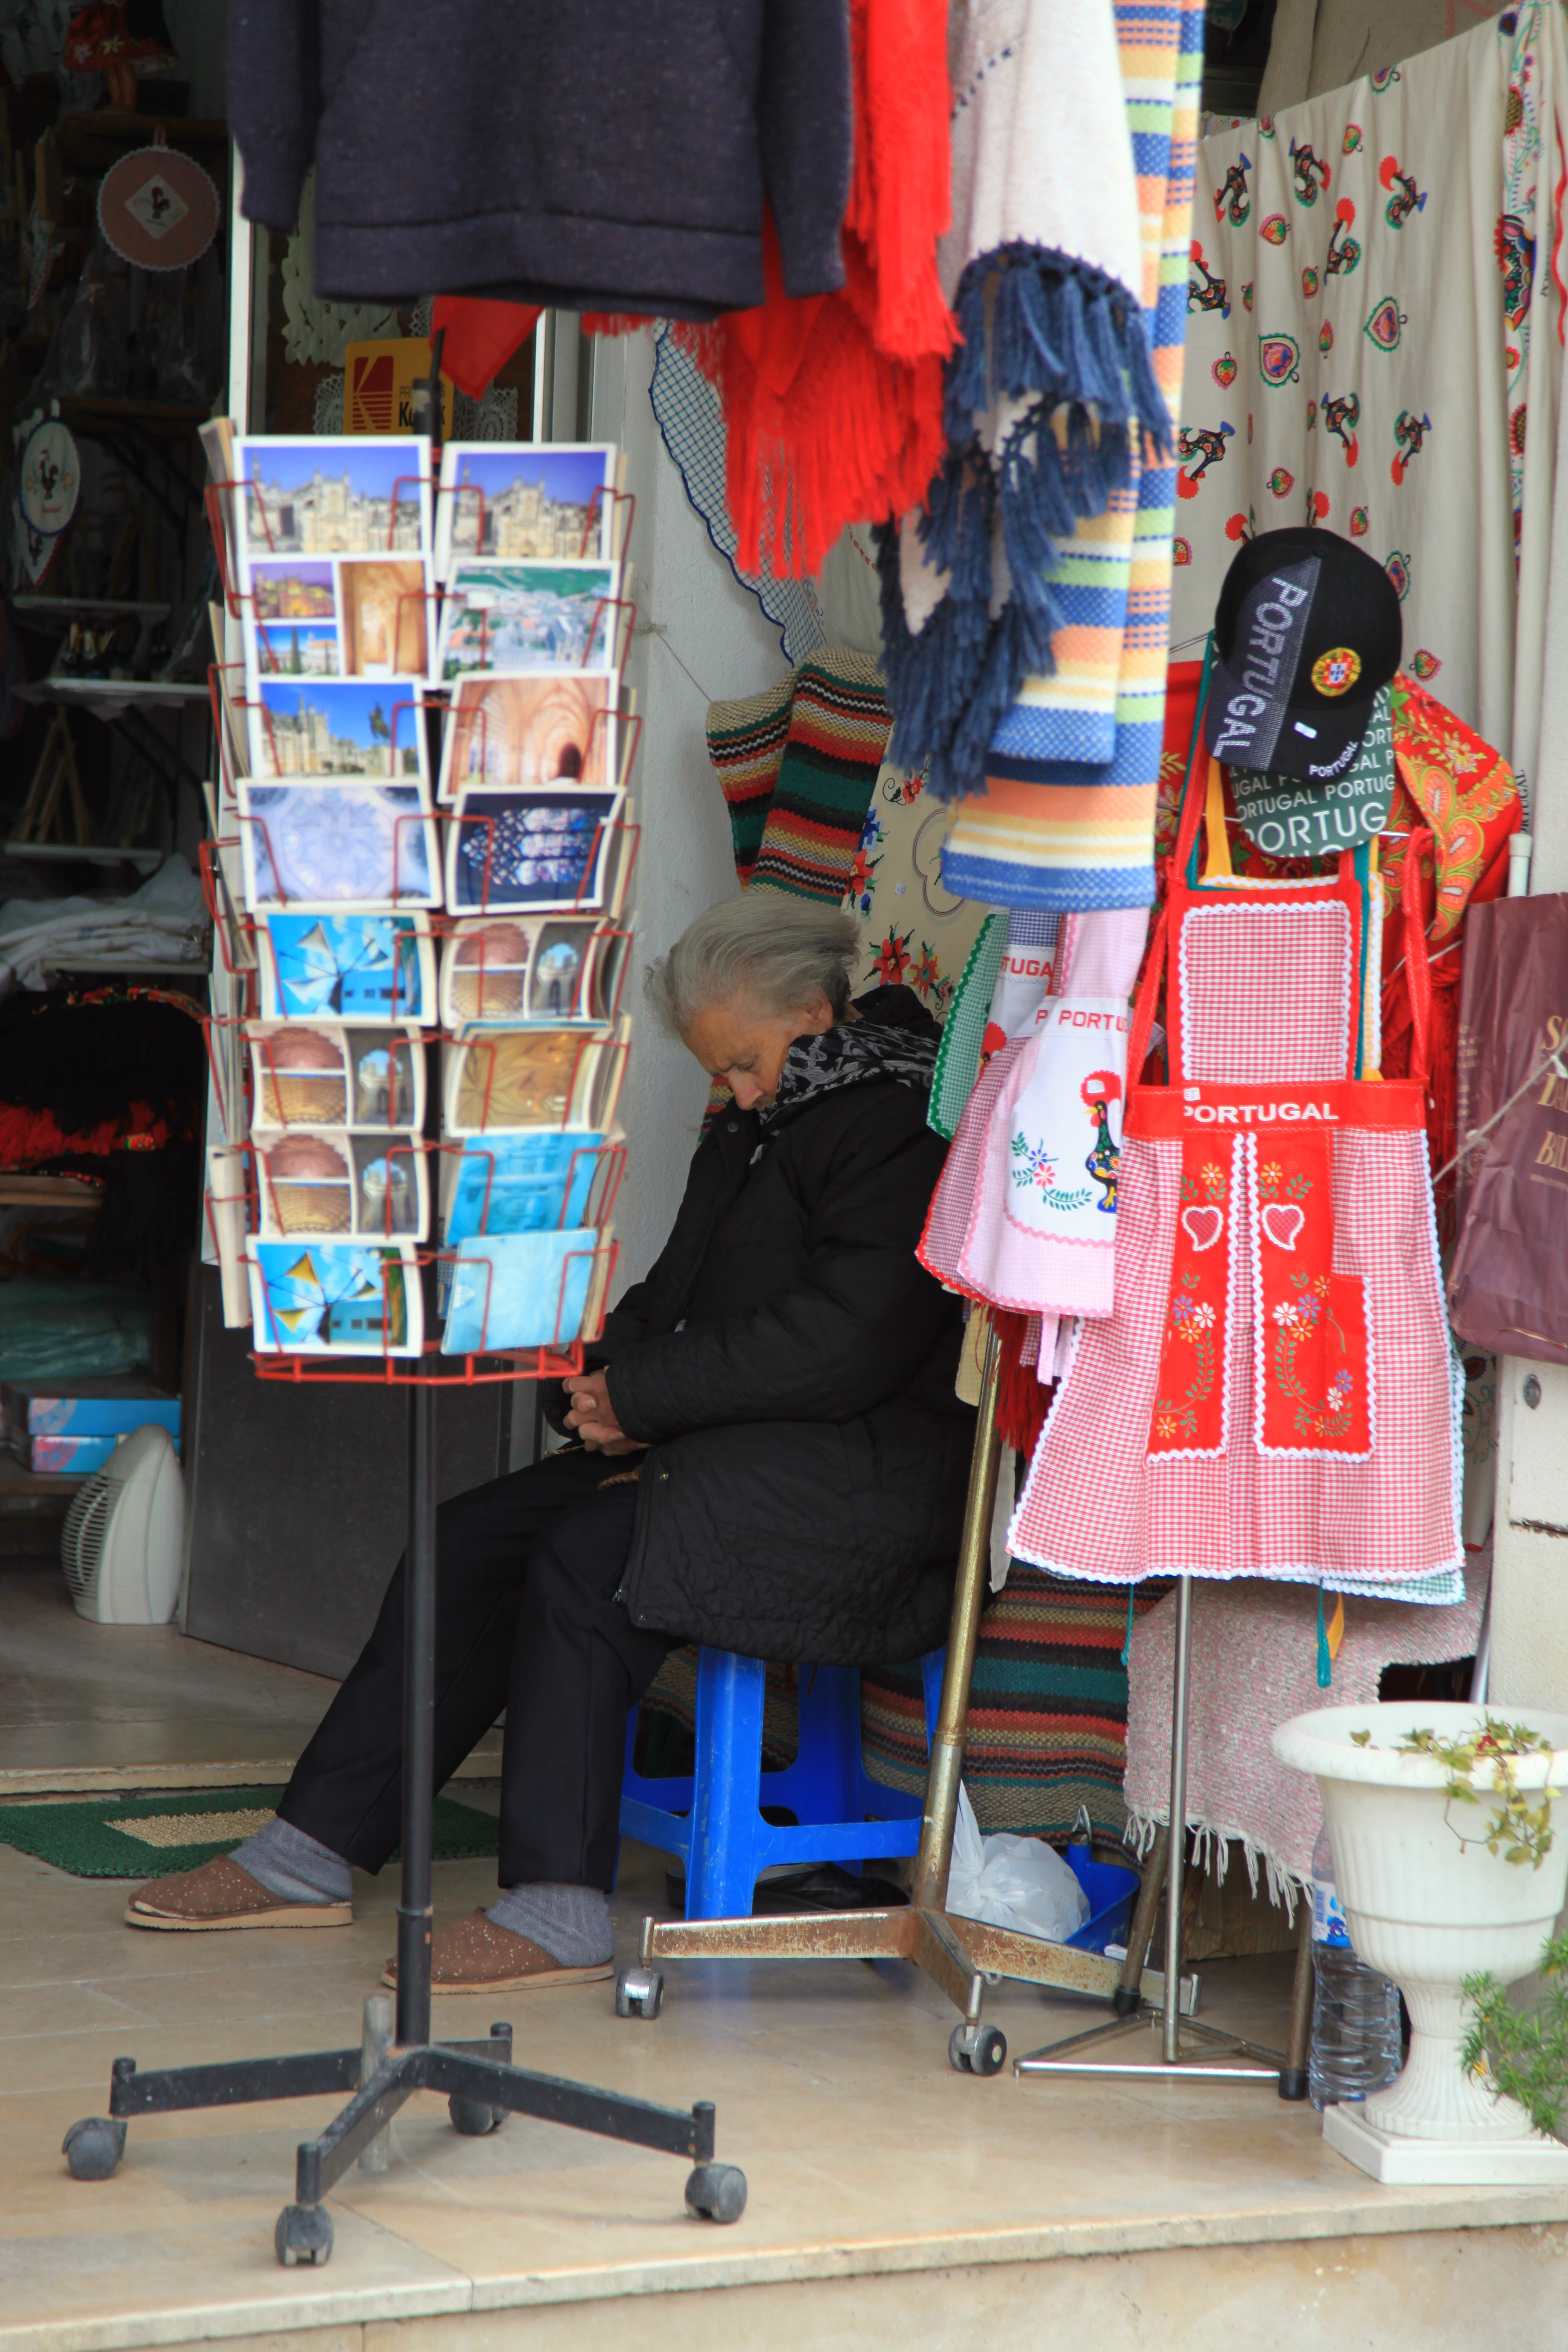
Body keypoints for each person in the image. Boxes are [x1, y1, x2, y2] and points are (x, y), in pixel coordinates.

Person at [126, 896, 974, 1990]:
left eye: (750, 1064)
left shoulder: (894, 1122)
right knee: (467, 1538)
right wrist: (595, 1382)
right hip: (735, 1442)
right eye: (724, 1074)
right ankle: (309, 1852)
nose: (740, 1091)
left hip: (868, 1475)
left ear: (816, 1009)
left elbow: (848, 1343)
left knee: (587, 1559)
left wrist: (649, 1397)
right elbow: (677, 1293)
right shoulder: (758, 1127)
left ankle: (559, 1904)